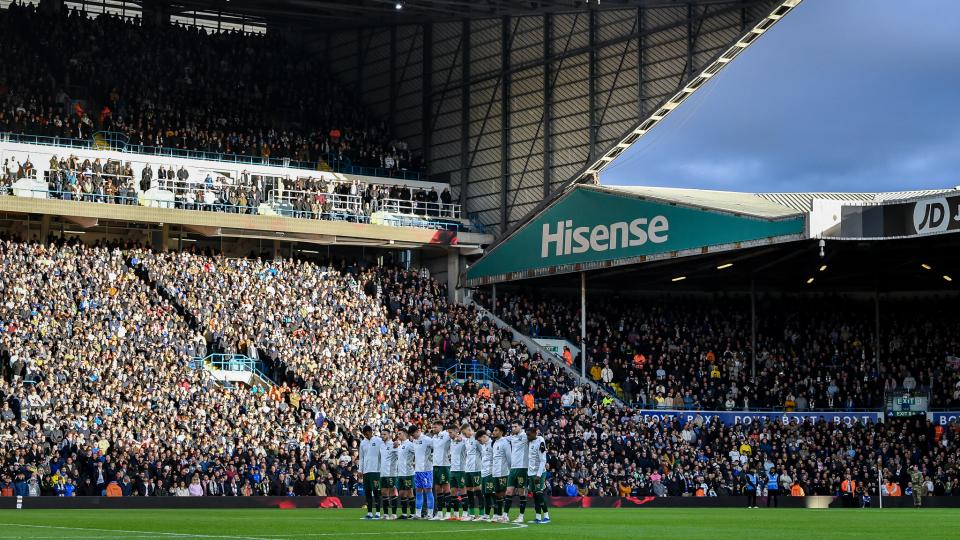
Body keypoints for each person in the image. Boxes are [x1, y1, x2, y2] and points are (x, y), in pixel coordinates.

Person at [505, 422, 530, 523]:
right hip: (513, 468)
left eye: (515, 426)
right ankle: (505, 515)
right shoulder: (511, 437)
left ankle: (521, 516)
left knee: (521, 492)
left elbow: (536, 438)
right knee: (509, 491)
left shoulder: (525, 436)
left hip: (522, 468)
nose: (513, 428)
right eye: (512, 426)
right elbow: (501, 439)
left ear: (521, 427)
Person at [526, 425, 551, 524]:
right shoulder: (531, 441)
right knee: (535, 496)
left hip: (538, 473)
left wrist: (539, 475)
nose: (527, 436)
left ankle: (546, 516)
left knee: (539, 494)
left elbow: (542, 460)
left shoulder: (540, 441)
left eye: (529, 435)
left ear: (534, 433)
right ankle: (537, 517)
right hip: (531, 473)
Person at [430, 421, 454, 520]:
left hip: (444, 465)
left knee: (446, 489)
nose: (433, 429)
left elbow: (455, 435)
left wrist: (458, 437)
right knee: (438, 490)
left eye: (435, 427)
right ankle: (439, 513)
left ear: (440, 427)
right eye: (432, 427)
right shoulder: (433, 438)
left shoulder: (446, 434)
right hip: (435, 465)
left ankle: (448, 513)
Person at [359, 425, 383, 520]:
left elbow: (382, 454)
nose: (365, 435)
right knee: (367, 492)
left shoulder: (378, 441)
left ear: (370, 432)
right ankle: (369, 513)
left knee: (376, 491)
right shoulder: (363, 443)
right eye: (364, 434)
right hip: (366, 471)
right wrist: (360, 470)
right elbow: (361, 457)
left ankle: (377, 513)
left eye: (366, 433)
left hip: (376, 471)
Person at [411, 424, 435, 519]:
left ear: (418, 431)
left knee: (428, 490)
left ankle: (430, 514)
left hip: (426, 470)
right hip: (417, 470)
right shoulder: (414, 440)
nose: (412, 437)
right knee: (418, 491)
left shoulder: (427, 440)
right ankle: (418, 514)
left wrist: (431, 457)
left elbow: (436, 449)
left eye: (413, 434)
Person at [491, 424, 512, 523]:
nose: (493, 432)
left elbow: (509, 458)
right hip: (495, 473)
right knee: (497, 494)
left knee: (504, 494)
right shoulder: (494, 443)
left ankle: (505, 515)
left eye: (496, 430)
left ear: (501, 432)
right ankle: (498, 514)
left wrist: (510, 471)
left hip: (503, 472)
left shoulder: (505, 443)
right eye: (494, 430)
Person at [379, 428, 399, 520]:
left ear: (389, 435)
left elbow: (400, 455)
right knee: (383, 492)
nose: (382, 436)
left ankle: (394, 514)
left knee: (392, 492)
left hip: (391, 473)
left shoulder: (393, 445)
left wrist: (398, 444)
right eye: (382, 434)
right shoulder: (381, 445)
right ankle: (386, 514)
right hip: (383, 473)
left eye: (384, 434)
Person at [395, 428, 416, 519]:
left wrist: (414, 463)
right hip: (400, 473)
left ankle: (412, 514)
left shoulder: (410, 445)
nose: (398, 435)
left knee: (410, 492)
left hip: (408, 473)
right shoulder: (400, 445)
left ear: (405, 434)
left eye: (399, 433)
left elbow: (418, 453)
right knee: (402, 493)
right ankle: (404, 514)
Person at [449, 426, 467, 520]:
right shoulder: (451, 441)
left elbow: (470, 439)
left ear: (456, 432)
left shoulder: (463, 441)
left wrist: (462, 438)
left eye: (451, 432)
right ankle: (455, 514)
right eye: (449, 433)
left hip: (461, 470)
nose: (449, 434)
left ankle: (465, 513)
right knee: (452, 492)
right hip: (452, 470)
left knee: (463, 490)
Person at [478, 429, 495, 521]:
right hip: (484, 473)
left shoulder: (493, 444)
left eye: (480, 440)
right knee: (486, 494)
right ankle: (487, 514)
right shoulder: (483, 446)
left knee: (492, 494)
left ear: (484, 436)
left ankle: (496, 514)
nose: (480, 442)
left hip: (491, 473)